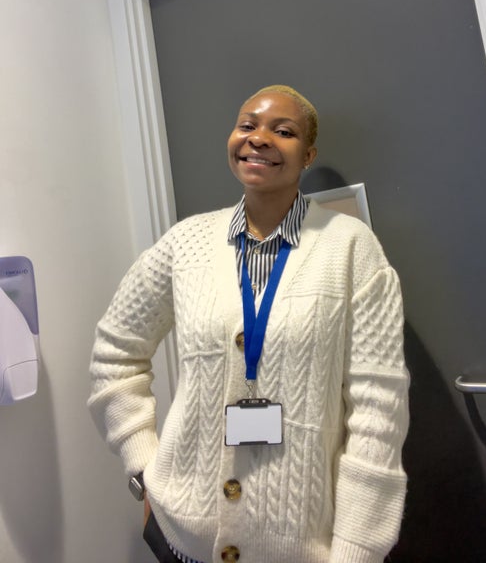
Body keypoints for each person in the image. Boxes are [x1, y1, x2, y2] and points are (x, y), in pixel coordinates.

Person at [88, 84, 409, 563]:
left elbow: (379, 408)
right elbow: (115, 353)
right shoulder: (185, 243)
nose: (259, 138)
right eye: (247, 125)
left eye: (283, 131)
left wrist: (358, 547)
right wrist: (143, 469)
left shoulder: (351, 248)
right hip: (183, 537)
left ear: (307, 155)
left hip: (302, 545)